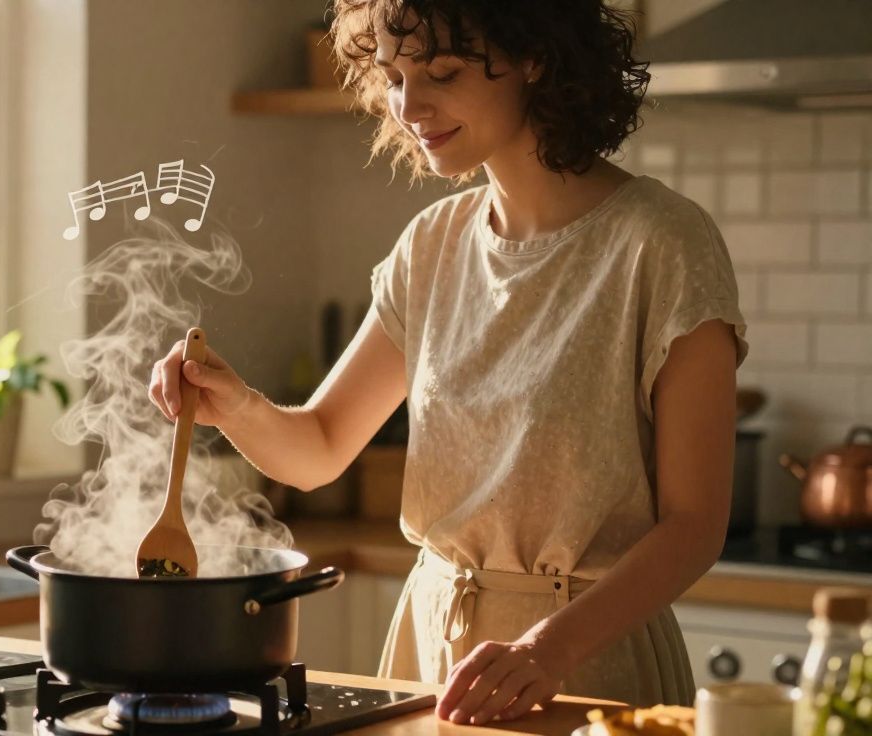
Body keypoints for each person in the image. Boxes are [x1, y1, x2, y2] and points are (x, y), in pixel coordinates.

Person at [148, 0, 747, 726]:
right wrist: (235, 404)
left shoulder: (664, 243)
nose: (409, 106)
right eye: (395, 77)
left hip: (588, 664)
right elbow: (319, 447)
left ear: (536, 58)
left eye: (442, 73)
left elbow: (694, 526)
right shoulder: (431, 244)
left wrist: (547, 650)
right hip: (430, 653)